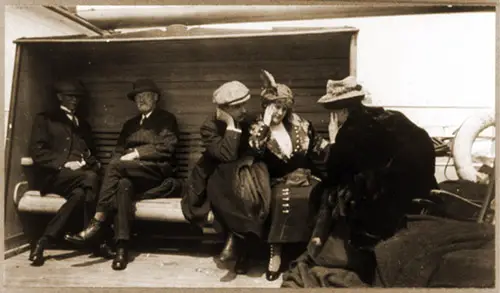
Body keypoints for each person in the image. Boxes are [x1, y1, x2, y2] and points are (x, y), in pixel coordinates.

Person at [281, 76, 439, 288]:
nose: (333, 116)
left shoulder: (349, 133)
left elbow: (334, 172)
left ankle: (320, 249)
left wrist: (334, 140)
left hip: (382, 204)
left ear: (342, 111)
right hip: (420, 191)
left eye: (334, 112)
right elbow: (424, 144)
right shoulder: (392, 117)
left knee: (322, 192)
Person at [65, 78, 180, 271]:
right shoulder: (130, 124)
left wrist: (136, 154)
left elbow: (166, 147)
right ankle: (121, 249)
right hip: (130, 174)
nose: (141, 100)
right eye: (138, 97)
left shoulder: (166, 119)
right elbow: (118, 150)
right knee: (122, 186)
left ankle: (98, 220)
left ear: (156, 98)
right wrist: (118, 160)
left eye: (145, 96)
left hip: (155, 172)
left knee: (117, 168)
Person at [248, 70, 331, 281]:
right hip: (276, 181)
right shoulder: (257, 127)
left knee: (316, 195)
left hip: (303, 177)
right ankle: (275, 252)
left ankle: (310, 253)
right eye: (276, 107)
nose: (280, 113)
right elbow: (254, 150)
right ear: (266, 105)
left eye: (284, 108)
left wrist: (334, 141)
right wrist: (266, 125)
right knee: (281, 199)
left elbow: (319, 148)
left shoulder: (300, 125)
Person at [182, 80, 270, 275]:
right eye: (237, 107)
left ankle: (237, 242)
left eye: (244, 104)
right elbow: (226, 155)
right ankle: (240, 245)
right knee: (228, 181)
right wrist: (230, 125)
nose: (243, 110)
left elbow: (252, 153)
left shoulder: (249, 122)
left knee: (245, 190)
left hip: (239, 176)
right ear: (223, 109)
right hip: (213, 177)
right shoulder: (210, 126)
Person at [28, 80, 114, 266]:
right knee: (91, 179)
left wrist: (91, 163)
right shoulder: (45, 119)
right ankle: (97, 239)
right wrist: (65, 164)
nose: (74, 101)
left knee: (81, 194)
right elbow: (37, 152)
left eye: (77, 98)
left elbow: (91, 155)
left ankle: (43, 241)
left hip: (79, 181)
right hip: (54, 177)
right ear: (60, 97)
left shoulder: (84, 125)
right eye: (70, 97)